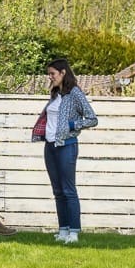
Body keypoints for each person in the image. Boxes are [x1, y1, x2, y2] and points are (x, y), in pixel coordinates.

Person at [33, 58, 98, 244]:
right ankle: (63, 230)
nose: (50, 77)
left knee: (68, 190)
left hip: (67, 146)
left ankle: (74, 232)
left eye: (53, 74)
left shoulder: (75, 93)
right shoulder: (54, 94)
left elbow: (92, 119)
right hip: (50, 146)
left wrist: (72, 124)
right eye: (49, 74)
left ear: (63, 73)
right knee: (58, 190)